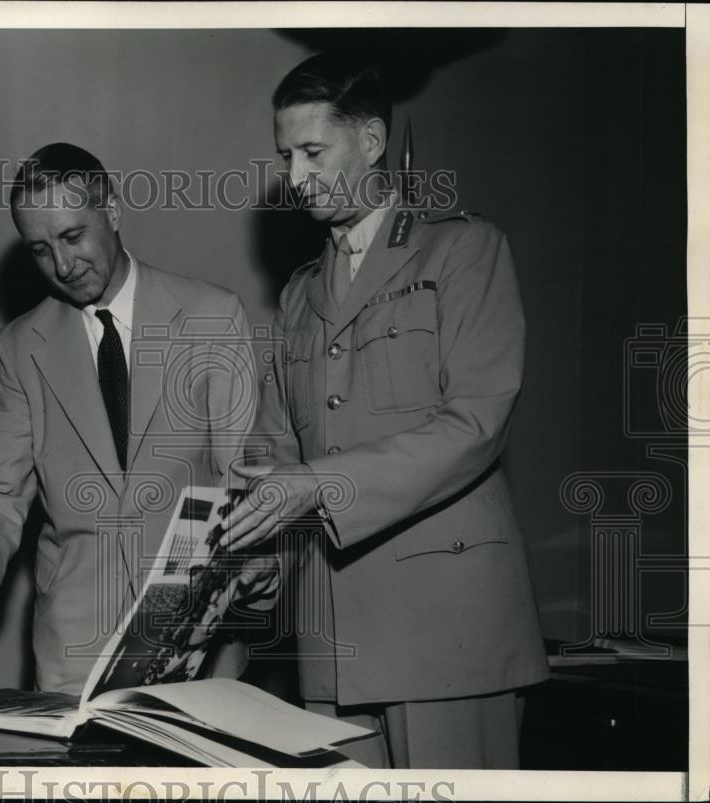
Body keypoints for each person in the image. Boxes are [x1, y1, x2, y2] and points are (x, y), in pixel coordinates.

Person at [220, 53, 550, 768]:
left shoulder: (463, 250)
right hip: (330, 642)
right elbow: (277, 447)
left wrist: (316, 484)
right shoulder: (299, 294)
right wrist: (260, 550)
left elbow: (475, 425)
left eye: (313, 152)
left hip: (447, 632)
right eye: (286, 156)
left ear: (370, 141)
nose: (295, 176)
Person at [0, 142, 266, 695]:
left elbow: (244, 476)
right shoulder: (17, 349)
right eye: (40, 250)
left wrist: (256, 571)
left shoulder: (212, 316)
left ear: (112, 210)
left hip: (200, 642)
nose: (63, 266)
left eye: (72, 237)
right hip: (73, 650)